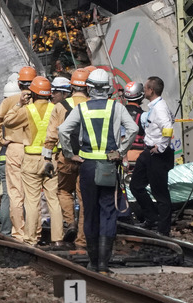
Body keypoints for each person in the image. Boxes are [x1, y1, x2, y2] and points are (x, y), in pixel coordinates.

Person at [58, 68, 138, 273]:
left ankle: (93, 261)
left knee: (90, 211)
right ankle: (103, 264)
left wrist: (69, 154)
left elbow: (63, 130)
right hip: (108, 166)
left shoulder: (81, 108)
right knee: (108, 212)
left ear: (89, 88)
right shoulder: (117, 107)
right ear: (109, 88)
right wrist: (120, 151)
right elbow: (134, 129)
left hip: (87, 165)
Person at [6, 76, 65, 247]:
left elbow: (8, 122)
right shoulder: (57, 109)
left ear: (33, 93)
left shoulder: (27, 110)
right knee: (53, 199)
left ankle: (31, 238)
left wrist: (19, 103)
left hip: (31, 159)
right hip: (51, 158)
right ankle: (57, 239)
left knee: (32, 201)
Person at [0, 66, 38, 240]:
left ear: (19, 83)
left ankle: (13, 233)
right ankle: (31, 233)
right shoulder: (40, 101)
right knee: (32, 194)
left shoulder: (11, 101)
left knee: (13, 194)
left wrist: (1, 141)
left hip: (14, 149)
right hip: (35, 150)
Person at [44, 69, 90, 246]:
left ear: (71, 87)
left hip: (66, 157)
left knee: (63, 191)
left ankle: (70, 222)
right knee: (85, 197)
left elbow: (51, 136)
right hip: (88, 157)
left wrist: (47, 158)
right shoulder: (93, 104)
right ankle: (82, 239)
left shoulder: (60, 106)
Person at [129, 77, 175, 236]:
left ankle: (163, 229)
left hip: (158, 155)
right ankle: (151, 217)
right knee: (135, 185)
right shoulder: (156, 107)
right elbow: (171, 120)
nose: (144, 91)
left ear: (151, 91)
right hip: (148, 152)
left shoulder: (159, 108)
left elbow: (168, 127)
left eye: (146, 88)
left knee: (160, 192)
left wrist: (161, 146)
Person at [0, 78, 19, 236]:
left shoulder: (1, 113)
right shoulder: (26, 111)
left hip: (5, 161)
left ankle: (7, 231)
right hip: (24, 160)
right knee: (23, 195)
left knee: (7, 196)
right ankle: (22, 231)